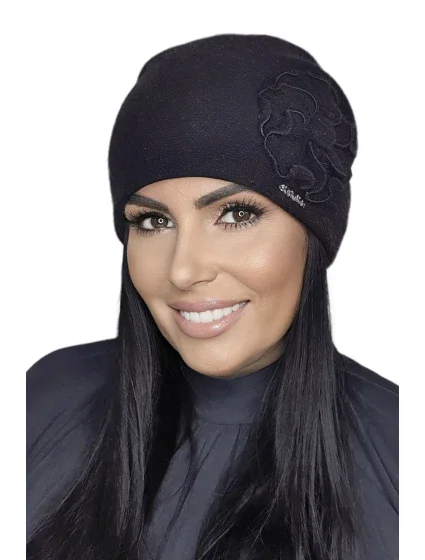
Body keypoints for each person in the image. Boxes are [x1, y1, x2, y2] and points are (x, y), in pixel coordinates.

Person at [26, 34, 399, 560]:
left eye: (237, 214)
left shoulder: (400, 450)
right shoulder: (43, 400)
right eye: (153, 221)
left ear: (314, 236)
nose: (184, 270)